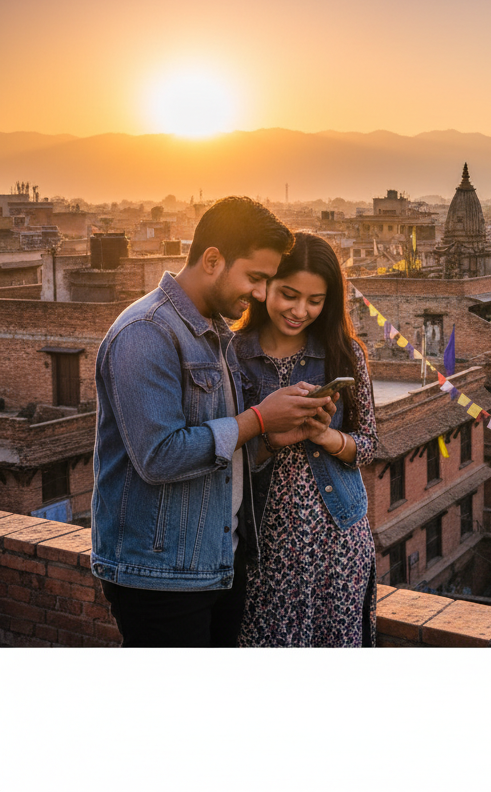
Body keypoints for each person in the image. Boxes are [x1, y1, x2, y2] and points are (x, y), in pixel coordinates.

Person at [90, 197, 332, 647]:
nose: (260, 293)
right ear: (213, 260)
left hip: (217, 562)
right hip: (160, 576)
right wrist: (259, 418)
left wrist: (272, 437)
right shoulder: (147, 331)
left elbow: (218, 453)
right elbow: (159, 457)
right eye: (255, 278)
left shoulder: (214, 332)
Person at [235, 232, 381, 647]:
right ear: (265, 286)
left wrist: (326, 436)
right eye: (289, 295)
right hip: (264, 546)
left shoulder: (344, 353)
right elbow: (226, 455)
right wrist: (271, 438)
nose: (300, 311)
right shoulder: (233, 355)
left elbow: (368, 444)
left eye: (314, 301)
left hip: (338, 538)